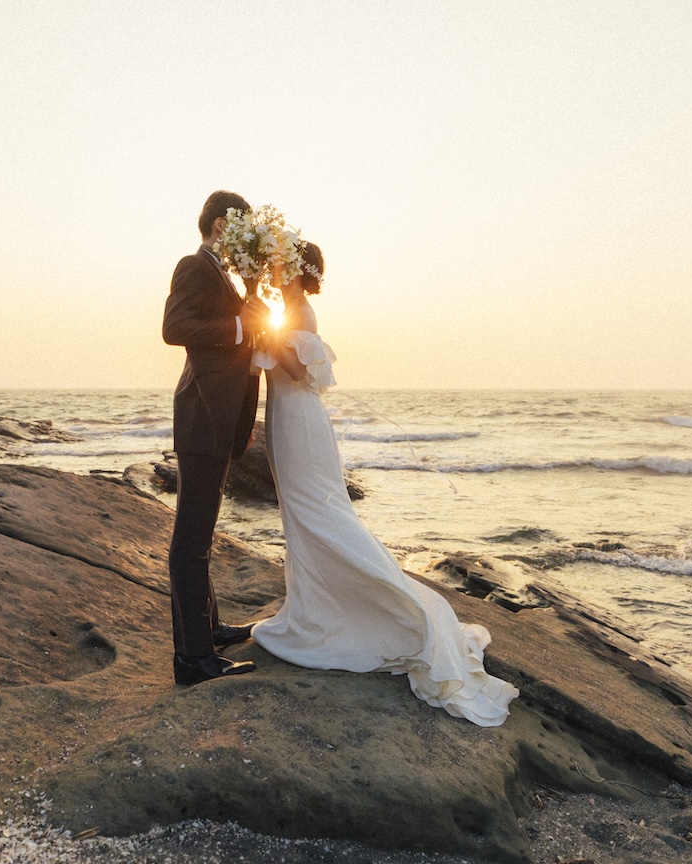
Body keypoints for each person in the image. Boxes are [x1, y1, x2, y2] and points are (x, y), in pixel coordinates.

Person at [251, 241, 518, 725]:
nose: (271, 269)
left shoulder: (301, 313)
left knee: (320, 512)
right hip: (286, 419)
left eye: (276, 263)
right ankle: (310, 607)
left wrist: (259, 333)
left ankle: (384, 611)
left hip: (300, 419)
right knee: (302, 514)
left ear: (291, 269)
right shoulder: (285, 309)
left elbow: (294, 368)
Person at [159, 190, 263, 686]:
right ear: (222, 225)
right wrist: (238, 325)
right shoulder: (193, 265)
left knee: (201, 535)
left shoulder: (221, 272)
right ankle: (192, 660)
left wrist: (251, 288)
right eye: (243, 226)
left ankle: (210, 629)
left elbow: (244, 324)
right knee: (190, 541)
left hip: (217, 417)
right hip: (202, 415)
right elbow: (175, 326)